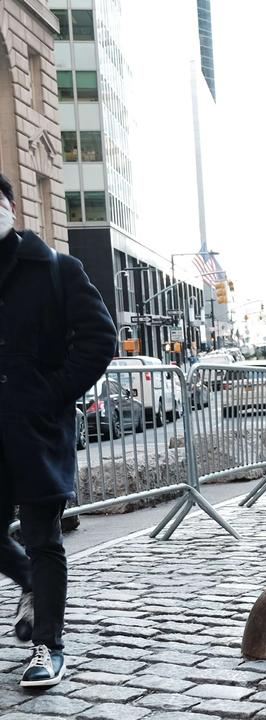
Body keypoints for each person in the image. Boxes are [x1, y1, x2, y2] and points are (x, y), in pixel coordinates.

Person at [0, 174, 116, 687]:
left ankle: (47, 646)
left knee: (43, 537)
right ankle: (30, 583)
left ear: (9, 206)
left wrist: (50, 395)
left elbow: (99, 338)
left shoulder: (55, 268)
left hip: (35, 430)